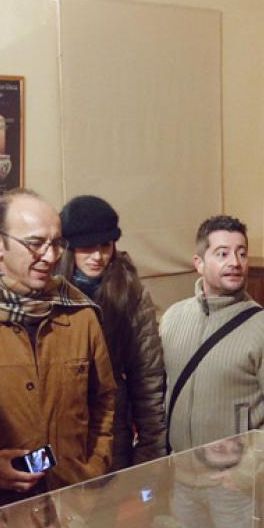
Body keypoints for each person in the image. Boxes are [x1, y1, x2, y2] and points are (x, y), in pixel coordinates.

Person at [0, 189, 120, 509]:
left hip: (76, 503)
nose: (51, 257)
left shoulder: (80, 314)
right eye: (35, 244)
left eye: (57, 244)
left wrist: (94, 465)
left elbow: (103, 399)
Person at [158, 215, 264, 452]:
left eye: (241, 254)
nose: (235, 262)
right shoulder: (172, 318)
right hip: (177, 470)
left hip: (233, 478)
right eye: (222, 254)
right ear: (199, 263)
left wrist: (248, 467)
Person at [59, 194, 168, 469]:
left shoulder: (129, 292)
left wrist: (150, 451)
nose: (98, 256)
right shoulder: (49, 292)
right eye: (87, 247)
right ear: (68, 247)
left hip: (110, 431)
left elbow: (147, 377)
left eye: (105, 246)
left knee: (105, 508)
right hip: (58, 435)